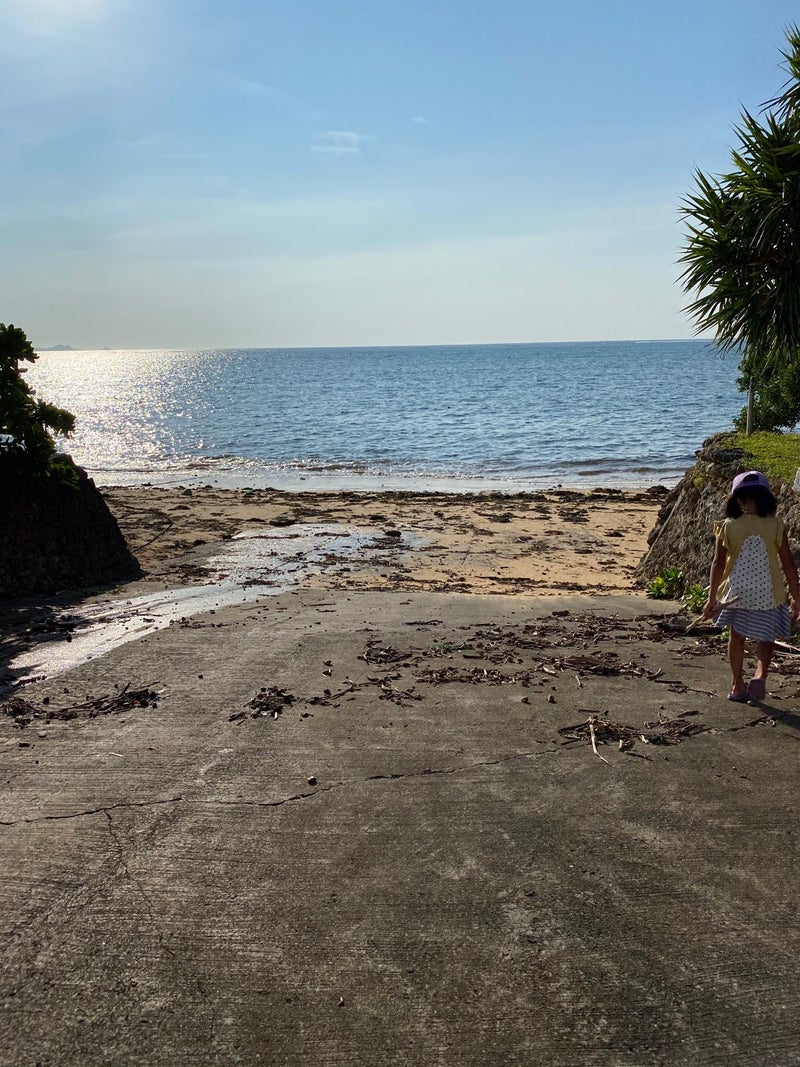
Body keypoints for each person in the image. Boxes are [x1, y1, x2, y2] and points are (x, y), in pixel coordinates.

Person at [703, 470, 800, 702]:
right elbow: (788, 565)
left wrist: (712, 597)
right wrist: (796, 597)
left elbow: (717, 564)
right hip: (768, 593)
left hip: (737, 593)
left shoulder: (727, 526)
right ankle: (760, 675)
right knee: (765, 637)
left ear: (736, 499)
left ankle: (737, 684)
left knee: (736, 637)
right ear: (766, 499)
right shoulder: (776, 525)